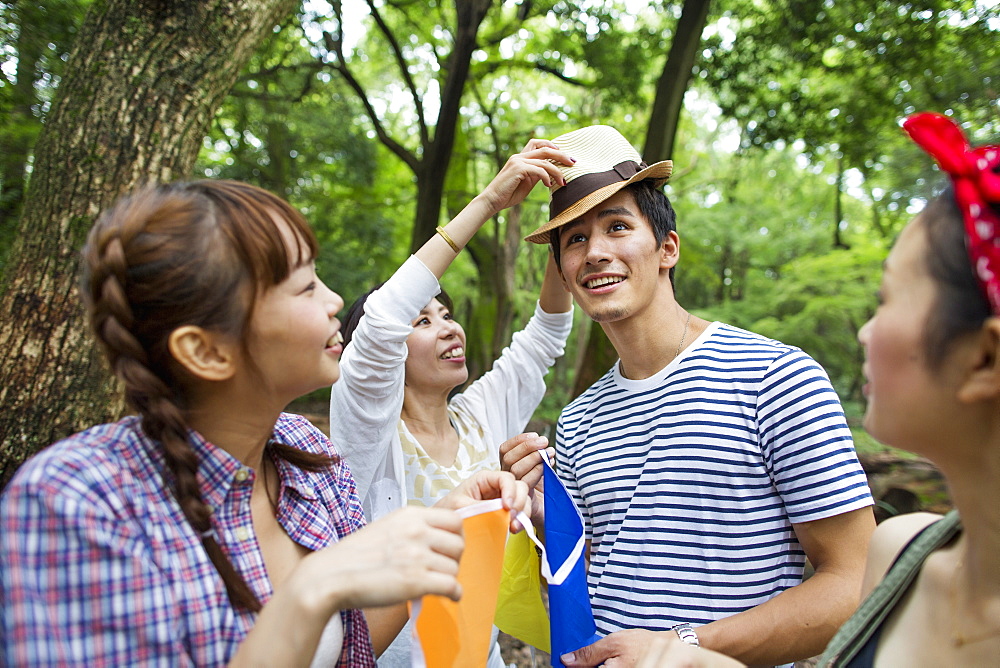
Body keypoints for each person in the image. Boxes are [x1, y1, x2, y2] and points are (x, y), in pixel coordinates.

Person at [0, 180, 529, 666]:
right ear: (205, 350)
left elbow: (351, 649)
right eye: (303, 288)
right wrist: (308, 591)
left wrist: (443, 522)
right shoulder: (76, 502)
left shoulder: (308, 460)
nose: (335, 301)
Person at [632, 113, 1000, 668]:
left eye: (887, 300)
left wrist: (687, 646)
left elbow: (836, 583)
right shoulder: (903, 552)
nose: (864, 331)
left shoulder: (776, 375)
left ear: (985, 358)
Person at [502, 124, 876, 666]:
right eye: (575, 239)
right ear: (561, 267)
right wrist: (543, 515)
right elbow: (596, 575)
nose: (595, 252)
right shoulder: (580, 417)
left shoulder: (776, 378)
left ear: (667, 248)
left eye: (617, 226)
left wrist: (682, 650)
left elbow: (856, 581)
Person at [330, 138, 576, 666]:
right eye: (422, 321)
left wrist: (567, 218)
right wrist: (489, 202)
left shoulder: (480, 415)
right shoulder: (366, 433)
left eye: (445, 314)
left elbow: (546, 335)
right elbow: (379, 323)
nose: (448, 329)